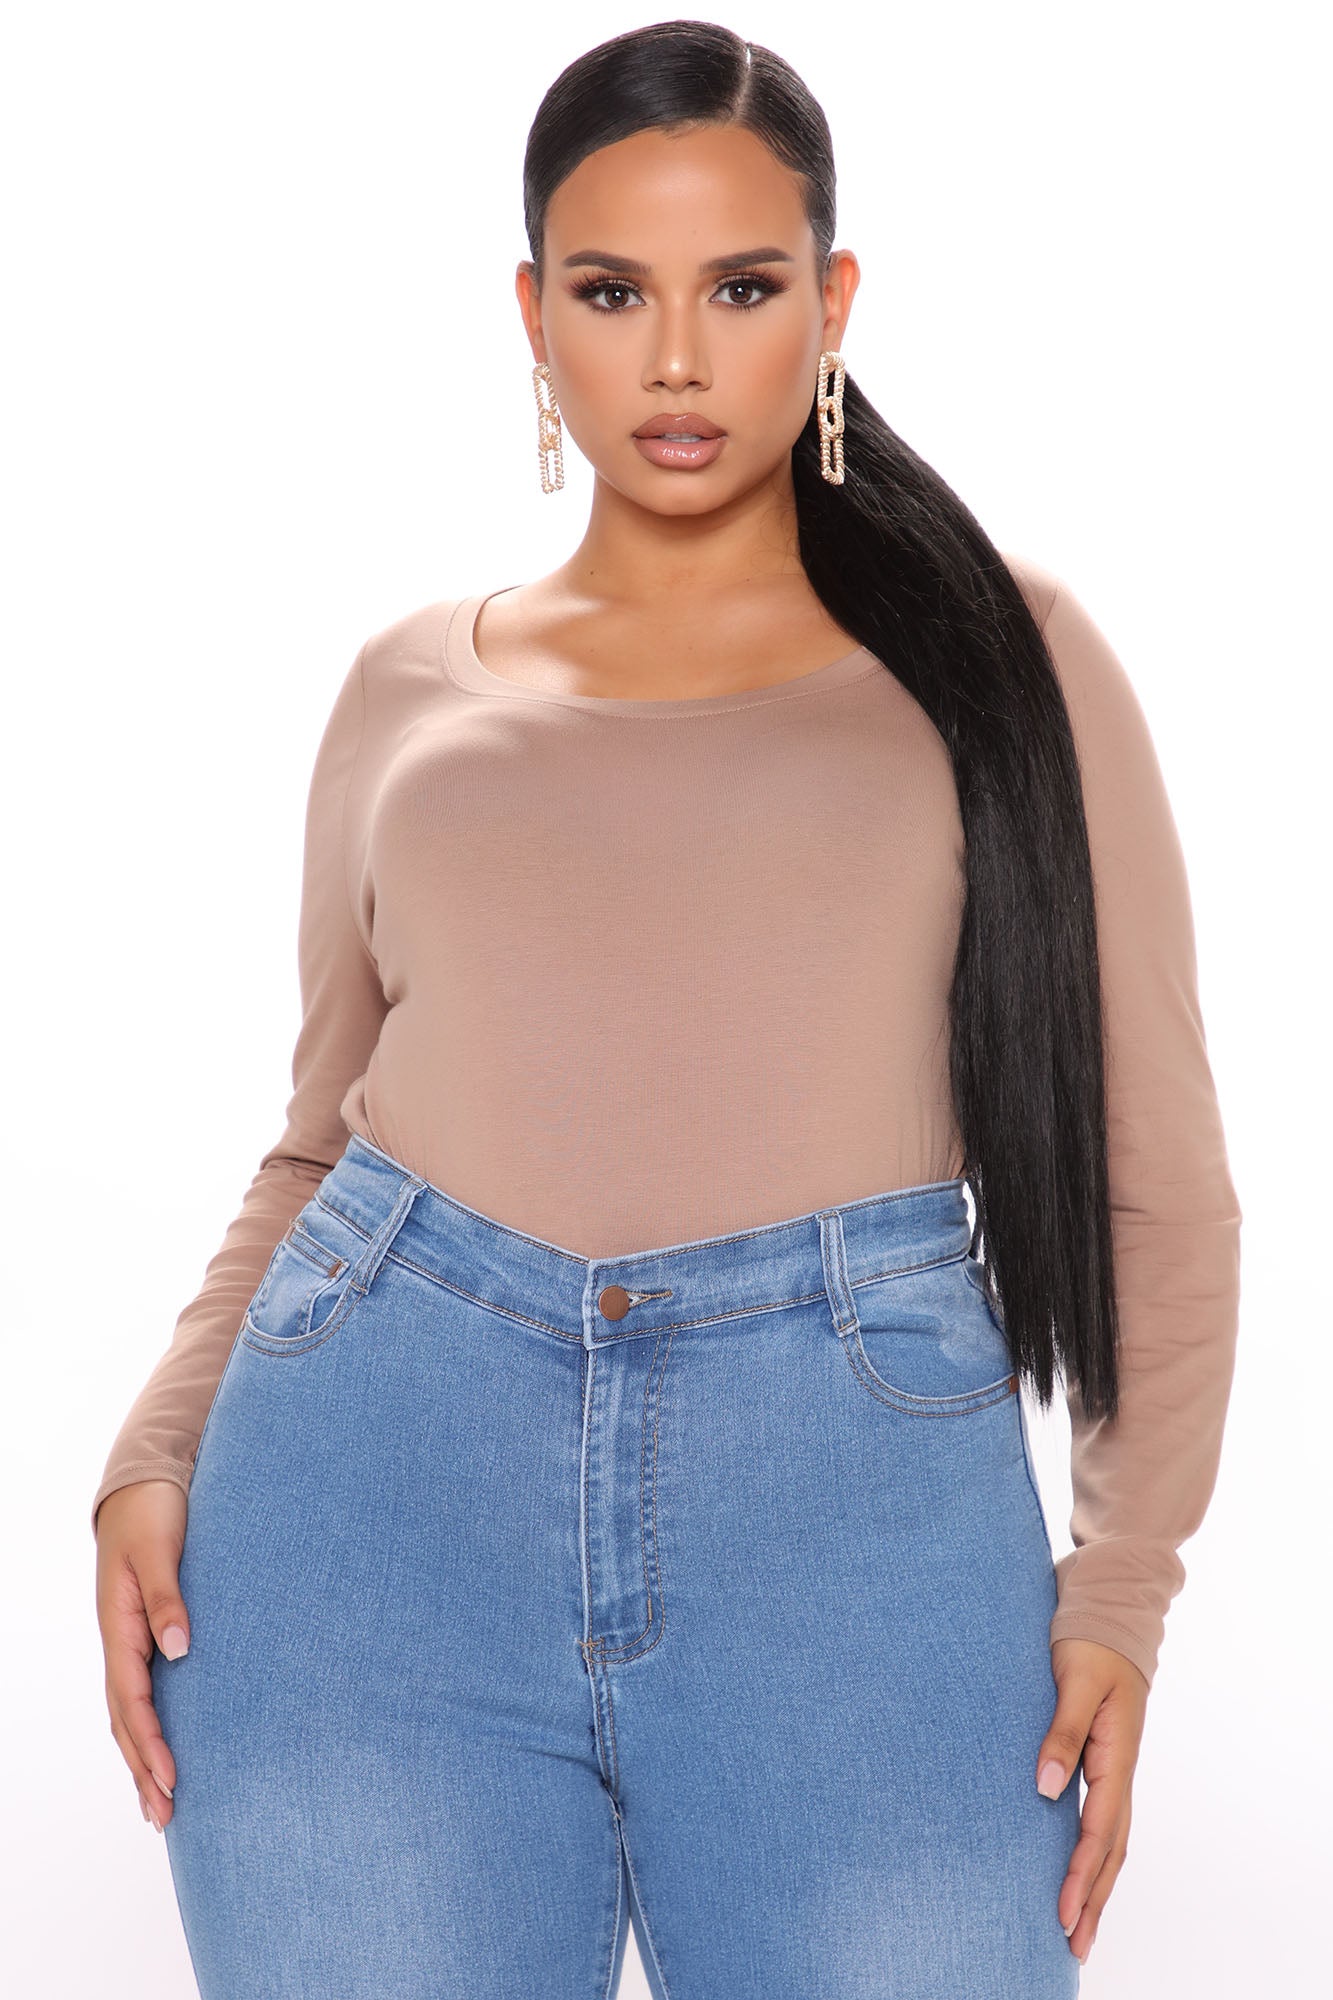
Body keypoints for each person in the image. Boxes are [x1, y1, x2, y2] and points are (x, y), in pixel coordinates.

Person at [93, 20, 1242, 1999]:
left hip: (859, 1526)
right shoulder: (407, 690)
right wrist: (154, 1443)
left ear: (834, 303)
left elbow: (1156, 1177)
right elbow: (314, 1146)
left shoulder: (1005, 660)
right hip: (367, 1513)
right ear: (533, 315)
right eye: (616, 293)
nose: (680, 361)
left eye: (744, 288)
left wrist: (1123, 1578)